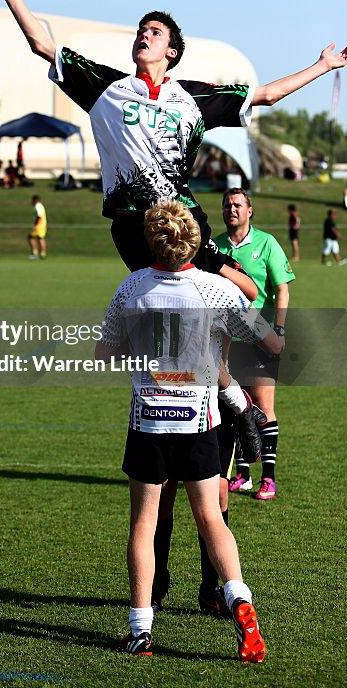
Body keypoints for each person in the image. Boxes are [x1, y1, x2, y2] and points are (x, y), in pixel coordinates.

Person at [0, 0, 347, 291]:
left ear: (171, 51)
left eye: (154, 32)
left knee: (245, 289)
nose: (144, 34)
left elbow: (267, 95)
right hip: (131, 221)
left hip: (182, 217)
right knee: (166, 308)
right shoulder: (106, 88)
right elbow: (42, 45)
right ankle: (198, 366)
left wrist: (322, 65)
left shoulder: (190, 98)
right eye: (140, 30)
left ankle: (240, 357)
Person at [96, 200, 283, 661]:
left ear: (150, 240)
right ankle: (240, 599)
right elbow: (270, 341)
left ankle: (141, 629)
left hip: (149, 421)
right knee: (211, 519)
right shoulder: (216, 290)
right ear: (195, 242)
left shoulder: (131, 288)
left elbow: (104, 354)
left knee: (144, 523)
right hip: (200, 420)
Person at [214, 189, 294, 502]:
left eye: (237, 205)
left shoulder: (266, 243)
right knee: (236, 404)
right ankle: (243, 475)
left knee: (263, 403)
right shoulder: (215, 245)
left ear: (250, 210)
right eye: (226, 205)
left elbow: (282, 289)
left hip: (260, 336)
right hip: (225, 339)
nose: (231, 209)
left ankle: (268, 478)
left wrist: (280, 329)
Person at [28, 194, 47, 258]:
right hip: (43, 224)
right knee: (41, 238)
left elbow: (39, 216)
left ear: (35, 200)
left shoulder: (38, 206)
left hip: (39, 225)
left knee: (31, 237)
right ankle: (43, 253)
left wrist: (35, 225)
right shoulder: (41, 206)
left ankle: (35, 253)